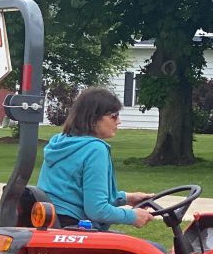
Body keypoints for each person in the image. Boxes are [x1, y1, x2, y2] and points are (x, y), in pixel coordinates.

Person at [38, 87, 154, 231]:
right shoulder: (95, 149)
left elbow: (75, 192)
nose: (119, 122)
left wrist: (127, 198)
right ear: (93, 119)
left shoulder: (59, 142)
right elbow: (97, 210)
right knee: (156, 250)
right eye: (113, 116)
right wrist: (132, 216)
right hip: (75, 228)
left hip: (53, 225)